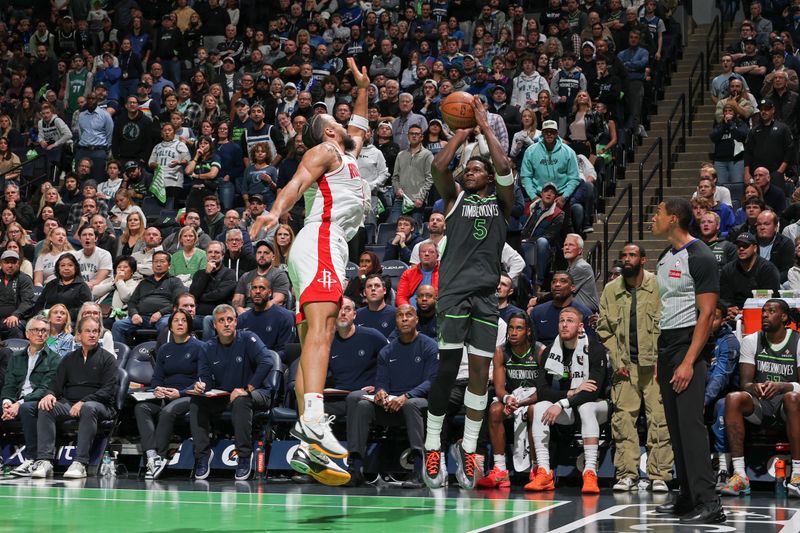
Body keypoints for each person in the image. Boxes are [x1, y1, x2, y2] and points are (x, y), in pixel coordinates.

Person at [246, 58, 370, 486]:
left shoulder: (347, 149)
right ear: (328, 133)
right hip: (320, 238)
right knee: (325, 327)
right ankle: (314, 420)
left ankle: (308, 442)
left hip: (324, 246)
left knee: (311, 338)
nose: (338, 120)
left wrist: (363, 87)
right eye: (329, 119)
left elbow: (361, 123)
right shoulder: (324, 151)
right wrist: (275, 212)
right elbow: (297, 183)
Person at [422, 95, 514, 490]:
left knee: (480, 373)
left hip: (485, 299)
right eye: (469, 169)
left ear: (489, 177)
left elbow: (506, 165)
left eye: (479, 169)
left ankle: (470, 449)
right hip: (454, 295)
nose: (471, 172)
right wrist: (460, 134)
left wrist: (485, 125)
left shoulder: (501, 202)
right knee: (447, 370)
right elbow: (438, 165)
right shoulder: (454, 198)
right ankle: (432, 447)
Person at [650, 198, 726, 524]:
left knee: (692, 427)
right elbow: (664, 309)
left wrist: (688, 362)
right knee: (676, 428)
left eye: (658, 213)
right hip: (667, 346)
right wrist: (660, 357)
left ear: (674, 219)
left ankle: (711, 504)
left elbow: (707, 314)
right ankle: (687, 497)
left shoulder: (702, 256)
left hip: (688, 347)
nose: (654, 218)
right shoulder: (665, 257)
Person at [596, 243, 673, 492]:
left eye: (632, 255)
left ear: (643, 260)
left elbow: (670, 326)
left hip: (655, 366)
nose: (627, 259)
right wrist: (617, 361)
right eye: (624, 256)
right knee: (622, 421)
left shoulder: (659, 286)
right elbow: (604, 329)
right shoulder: (610, 290)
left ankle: (659, 474)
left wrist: (665, 358)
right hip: (624, 367)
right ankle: (626, 474)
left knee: (659, 420)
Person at [347, 305, 438, 488]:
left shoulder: (429, 346)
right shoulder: (387, 351)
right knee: (363, 405)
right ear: (395, 321)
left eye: (409, 315)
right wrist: (381, 392)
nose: (404, 319)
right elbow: (381, 382)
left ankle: (418, 470)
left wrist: (406, 396)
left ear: (416, 320)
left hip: (418, 403)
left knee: (411, 404)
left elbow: (431, 381)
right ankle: (356, 468)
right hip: (392, 404)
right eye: (400, 316)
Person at [719, 298, 800, 497]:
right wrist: (754, 387)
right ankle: (739, 476)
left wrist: (782, 386)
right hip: (762, 405)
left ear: (783, 317)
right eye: (763, 311)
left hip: (787, 407)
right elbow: (744, 384)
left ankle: (797, 475)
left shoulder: (797, 341)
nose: (764, 314)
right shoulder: (751, 340)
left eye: (771, 311)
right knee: (733, 398)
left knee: (792, 398)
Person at [188, 304, 273, 481]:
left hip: (257, 393)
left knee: (241, 400)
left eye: (230, 320)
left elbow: (267, 361)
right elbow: (205, 378)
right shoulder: (207, 347)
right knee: (197, 401)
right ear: (214, 326)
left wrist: (247, 388)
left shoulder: (248, 338)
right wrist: (201, 386)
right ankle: (202, 455)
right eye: (221, 321)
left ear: (236, 322)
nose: (226, 324)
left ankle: (243, 456)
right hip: (225, 395)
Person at [29, 316, 118, 479]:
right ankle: (44, 460)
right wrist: (49, 394)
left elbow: (108, 390)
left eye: (95, 331)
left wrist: (84, 401)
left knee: (88, 407)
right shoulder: (69, 358)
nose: (92, 335)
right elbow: (56, 384)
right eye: (88, 331)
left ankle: (80, 462)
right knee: (46, 406)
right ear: (79, 335)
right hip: (69, 403)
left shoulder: (108, 359)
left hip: (100, 405)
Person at [476, 312, 544, 489]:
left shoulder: (540, 351)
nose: (513, 332)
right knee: (495, 410)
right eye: (511, 328)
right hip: (512, 397)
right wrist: (507, 399)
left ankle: (537, 469)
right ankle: (500, 470)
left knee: (533, 411)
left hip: (535, 399)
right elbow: (499, 388)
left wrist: (520, 403)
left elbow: (545, 391)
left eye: (519, 328)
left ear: (528, 331)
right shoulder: (500, 351)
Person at [134, 309, 204, 480]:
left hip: (189, 395)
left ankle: (161, 456)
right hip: (165, 395)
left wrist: (179, 393)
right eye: (176, 321)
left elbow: (202, 379)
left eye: (183, 321)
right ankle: (152, 456)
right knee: (141, 407)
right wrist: (157, 388)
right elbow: (157, 377)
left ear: (189, 325)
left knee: (167, 411)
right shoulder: (165, 349)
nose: (180, 323)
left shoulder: (199, 347)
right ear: (170, 326)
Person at [1, 316, 61, 477]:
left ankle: (31, 459)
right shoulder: (16, 356)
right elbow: (9, 384)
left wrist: (19, 404)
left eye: (44, 331)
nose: (40, 334)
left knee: (27, 408)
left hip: (35, 401)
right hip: (16, 401)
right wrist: (6, 402)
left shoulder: (54, 359)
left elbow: (44, 388)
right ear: (27, 334)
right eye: (36, 330)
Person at [520, 120, 586, 234]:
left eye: (552, 132)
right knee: (536, 230)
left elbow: (574, 177)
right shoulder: (531, 151)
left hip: (561, 195)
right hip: (538, 196)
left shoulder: (568, 151)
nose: (549, 134)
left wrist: (564, 197)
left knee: (564, 228)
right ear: (542, 133)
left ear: (556, 134)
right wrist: (533, 197)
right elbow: (526, 176)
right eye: (546, 132)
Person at [111, 251, 184, 343]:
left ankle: (163, 354)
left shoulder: (175, 281)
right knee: (118, 325)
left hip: (164, 316)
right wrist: (134, 314)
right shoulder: (144, 282)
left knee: (166, 324)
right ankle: (119, 355)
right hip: (142, 317)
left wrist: (160, 313)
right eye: (155, 261)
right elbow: (132, 302)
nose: (158, 264)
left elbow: (179, 302)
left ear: (169, 265)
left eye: (162, 261)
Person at [236, 275, 296, 361]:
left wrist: (263, 360)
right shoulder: (242, 319)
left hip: (274, 363)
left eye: (262, 288)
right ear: (250, 292)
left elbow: (285, 351)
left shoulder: (284, 316)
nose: (257, 291)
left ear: (270, 293)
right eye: (254, 288)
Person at [720, 232, 780, 314]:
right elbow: (725, 298)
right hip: (733, 316)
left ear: (755, 248)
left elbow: (771, 300)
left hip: (760, 313)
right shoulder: (727, 269)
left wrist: (745, 313)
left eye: (745, 246)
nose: (741, 248)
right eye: (738, 246)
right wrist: (730, 309)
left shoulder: (768, 269)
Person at [530, 271, 594, 346]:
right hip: (543, 354)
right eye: (554, 282)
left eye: (563, 281)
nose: (557, 284)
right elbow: (531, 342)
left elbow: (591, 344)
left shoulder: (584, 312)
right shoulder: (537, 312)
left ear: (572, 288)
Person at [189, 241, 237, 340]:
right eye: (210, 252)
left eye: (217, 252)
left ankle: (208, 351)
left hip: (218, 316)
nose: (213, 255)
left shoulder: (229, 273)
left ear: (223, 255)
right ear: (206, 255)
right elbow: (192, 296)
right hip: (198, 316)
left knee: (208, 320)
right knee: (178, 319)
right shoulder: (199, 274)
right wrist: (206, 273)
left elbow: (220, 295)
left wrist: (200, 297)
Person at [388, 124, 434, 227]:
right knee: (392, 226)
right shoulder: (401, 155)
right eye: (411, 134)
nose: (414, 136)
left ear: (421, 137)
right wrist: (397, 189)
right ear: (408, 136)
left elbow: (430, 178)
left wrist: (421, 197)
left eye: (417, 134)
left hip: (417, 199)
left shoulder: (427, 154)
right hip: (401, 198)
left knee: (415, 229)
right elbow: (395, 177)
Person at [28, 253, 92, 322]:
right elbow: (39, 304)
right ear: (58, 268)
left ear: (75, 268)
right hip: (47, 320)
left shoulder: (82, 286)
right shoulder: (51, 284)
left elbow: (84, 308)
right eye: (62, 265)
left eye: (70, 265)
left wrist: (64, 316)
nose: (66, 268)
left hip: (70, 322)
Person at [233, 240, 291, 312]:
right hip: (247, 313)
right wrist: (239, 309)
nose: (262, 255)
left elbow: (278, 300)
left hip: (270, 313)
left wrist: (256, 311)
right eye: (259, 252)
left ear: (273, 257)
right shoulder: (246, 276)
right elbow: (237, 300)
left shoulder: (279, 275)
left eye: (266, 253)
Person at [0, 250, 35, 340]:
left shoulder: (24, 279)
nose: (10, 265)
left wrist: (16, 314)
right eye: (6, 262)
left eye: (13, 262)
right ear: (1, 263)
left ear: (18, 264)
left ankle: (16, 353)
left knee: (14, 327)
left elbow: (28, 301)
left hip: (18, 318)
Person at [563, 233, 599, 312]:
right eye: (565, 245)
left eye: (571, 245)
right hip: (575, 310)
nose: (567, 248)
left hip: (585, 313)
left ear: (580, 250)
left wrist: (538, 300)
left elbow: (563, 290)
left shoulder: (581, 267)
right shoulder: (571, 267)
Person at [396, 241, 439, 307]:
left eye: (431, 252)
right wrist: (408, 310)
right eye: (423, 251)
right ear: (419, 256)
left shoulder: (444, 272)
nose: (426, 254)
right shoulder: (408, 273)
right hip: (412, 312)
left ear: (437, 256)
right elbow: (401, 296)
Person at [755, 210, 794, 283]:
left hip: (776, 283)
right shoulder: (750, 243)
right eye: (759, 224)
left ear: (775, 227)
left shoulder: (785, 243)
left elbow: (787, 271)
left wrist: (770, 281)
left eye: (766, 224)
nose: (762, 227)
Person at [355, 274, 397, 339]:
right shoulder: (357, 315)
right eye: (369, 286)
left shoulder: (396, 314)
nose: (373, 289)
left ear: (384, 290)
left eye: (377, 286)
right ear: (364, 292)